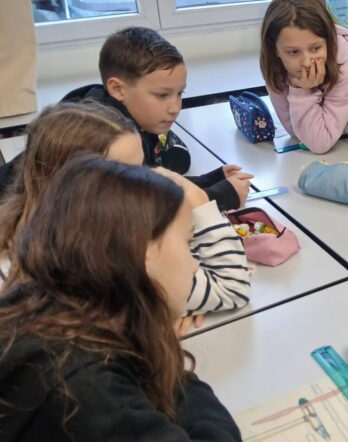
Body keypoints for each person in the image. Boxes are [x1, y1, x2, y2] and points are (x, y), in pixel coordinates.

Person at [0, 155, 240, 440]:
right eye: (188, 242)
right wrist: (165, 348)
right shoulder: (89, 389)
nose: (193, 265)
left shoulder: (40, 306)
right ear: (143, 252)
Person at [0, 102, 251, 329]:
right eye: (129, 172)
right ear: (79, 187)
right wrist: (201, 206)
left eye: (144, 166)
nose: (146, 179)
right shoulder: (118, 254)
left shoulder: (28, 218)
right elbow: (232, 288)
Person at [0, 26, 252, 210]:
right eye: (162, 95)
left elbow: (149, 180)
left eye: (179, 94)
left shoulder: (112, 110)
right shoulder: (105, 140)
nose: (175, 107)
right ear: (118, 89)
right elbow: (136, 210)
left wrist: (209, 180)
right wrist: (217, 198)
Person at [260, 0, 348, 154]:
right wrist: (300, 90)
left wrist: (302, 91)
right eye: (293, 52)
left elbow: (319, 143)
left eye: (315, 48)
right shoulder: (275, 68)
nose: (306, 62)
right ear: (274, 49)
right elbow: (297, 132)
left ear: (328, 40)